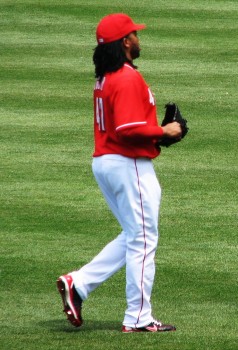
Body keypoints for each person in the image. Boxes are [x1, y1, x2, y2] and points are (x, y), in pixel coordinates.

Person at [57, 13, 182, 333]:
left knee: (133, 234)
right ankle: (138, 318)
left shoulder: (107, 77)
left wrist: (155, 133)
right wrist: (164, 131)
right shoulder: (125, 77)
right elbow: (127, 129)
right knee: (142, 239)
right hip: (128, 165)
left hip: (109, 162)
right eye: (135, 35)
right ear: (126, 42)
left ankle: (78, 284)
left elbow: (121, 126)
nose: (139, 39)